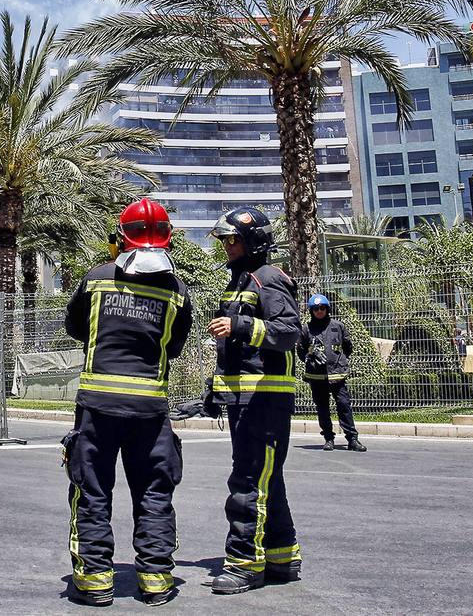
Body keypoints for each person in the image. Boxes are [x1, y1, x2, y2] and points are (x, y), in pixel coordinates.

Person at [62, 198, 194, 607]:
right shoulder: (177, 291)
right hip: (150, 413)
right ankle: (155, 578)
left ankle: (95, 579)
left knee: (93, 489)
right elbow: (172, 348)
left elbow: (74, 326)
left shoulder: (97, 278)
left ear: (121, 238)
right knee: (154, 492)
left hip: (97, 407)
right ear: (167, 239)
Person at [206, 206, 302, 594]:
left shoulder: (268, 279)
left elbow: (289, 330)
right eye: (226, 240)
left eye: (234, 239)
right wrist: (213, 393)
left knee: (248, 482)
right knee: (267, 479)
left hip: (265, 402)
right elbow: (235, 353)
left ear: (254, 241)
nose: (228, 246)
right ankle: (282, 556)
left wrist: (241, 324)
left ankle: (244, 564)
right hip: (244, 401)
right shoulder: (240, 282)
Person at [298, 294, 365, 452]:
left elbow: (348, 347)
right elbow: (300, 351)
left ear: (327, 309)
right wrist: (310, 355)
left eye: (322, 308)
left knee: (344, 406)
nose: (319, 311)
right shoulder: (306, 329)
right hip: (317, 376)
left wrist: (338, 361)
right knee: (322, 408)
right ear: (311, 311)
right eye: (316, 309)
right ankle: (328, 438)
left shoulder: (338, 326)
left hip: (337, 375)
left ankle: (352, 439)